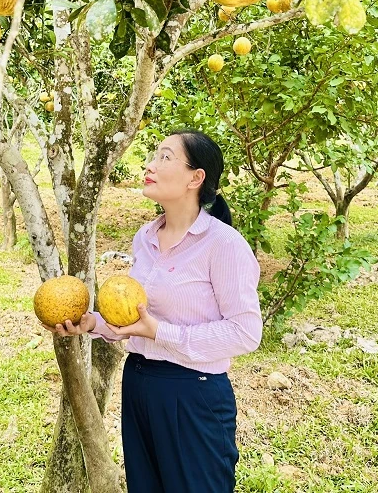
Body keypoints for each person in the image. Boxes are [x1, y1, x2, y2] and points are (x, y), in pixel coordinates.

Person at [46, 131, 263, 493]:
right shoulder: (145, 237)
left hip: (193, 393)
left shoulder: (224, 244)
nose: (150, 165)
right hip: (139, 383)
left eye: (165, 157)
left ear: (196, 178)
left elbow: (245, 333)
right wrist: (92, 322)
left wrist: (159, 332)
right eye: (154, 155)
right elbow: (135, 319)